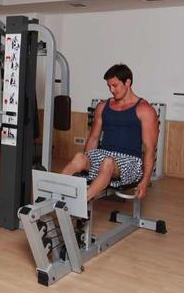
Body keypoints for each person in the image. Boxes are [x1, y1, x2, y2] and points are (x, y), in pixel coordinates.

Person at [61, 64, 158, 201]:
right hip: (104, 156)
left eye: (115, 85)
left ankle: (80, 203)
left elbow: (149, 149)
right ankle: (54, 195)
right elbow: (94, 138)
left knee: (107, 163)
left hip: (130, 161)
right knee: (79, 158)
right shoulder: (102, 107)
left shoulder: (144, 110)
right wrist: (86, 164)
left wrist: (145, 181)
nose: (112, 90)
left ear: (128, 82)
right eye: (109, 86)